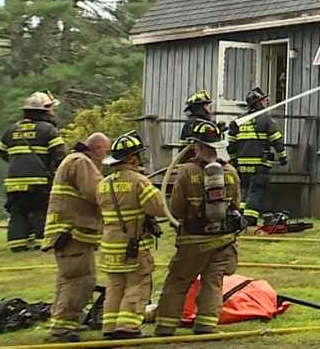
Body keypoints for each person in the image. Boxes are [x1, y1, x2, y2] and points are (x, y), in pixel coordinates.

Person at [154, 121, 244, 336]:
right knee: (213, 283)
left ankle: (166, 326)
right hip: (223, 241)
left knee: (178, 280)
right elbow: (236, 205)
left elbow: (175, 208)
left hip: (193, 241)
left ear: (197, 146)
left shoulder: (187, 171)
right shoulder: (230, 171)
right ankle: (205, 325)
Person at [96, 131, 167, 339]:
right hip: (132, 246)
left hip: (109, 245)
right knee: (137, 284)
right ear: (133, 158)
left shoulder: (103, 183)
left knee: (115, 286)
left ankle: (109, 327)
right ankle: (127, 327)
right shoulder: (139, 181)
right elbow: (158, 207)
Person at [43, 132, 110, 342]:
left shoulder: (72, 160)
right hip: (73, 232)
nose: (106, 157)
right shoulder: (81, 162)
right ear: (98, 148)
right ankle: (62, 329)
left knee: (68, 278)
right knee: (82, 279)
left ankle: (60, 323)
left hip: (66, 232)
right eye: (106, 152)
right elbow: (97, 192)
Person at [0, 91, 67, 252]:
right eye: (50, 108)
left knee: (17, 213)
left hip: (13, 183)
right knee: (40, 211)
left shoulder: (10, 130)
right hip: (39, 183)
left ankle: (17, 245)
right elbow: (60, 156)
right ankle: (40, 242)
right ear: (42, 111)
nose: (53, 112)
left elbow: (2, 153)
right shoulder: (49, 130)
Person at [228, 87, 288, 226]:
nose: (266, 102)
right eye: (264, 100)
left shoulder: (238, 121)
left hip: (242, 166)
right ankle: (249, 220)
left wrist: (234, 160)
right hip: (259, 165)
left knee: (243, 190)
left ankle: (240, 217)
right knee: (256, 191)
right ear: (259, 103)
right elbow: (276, 139)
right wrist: (283, 157)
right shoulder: (265, 119)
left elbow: (231, 144)